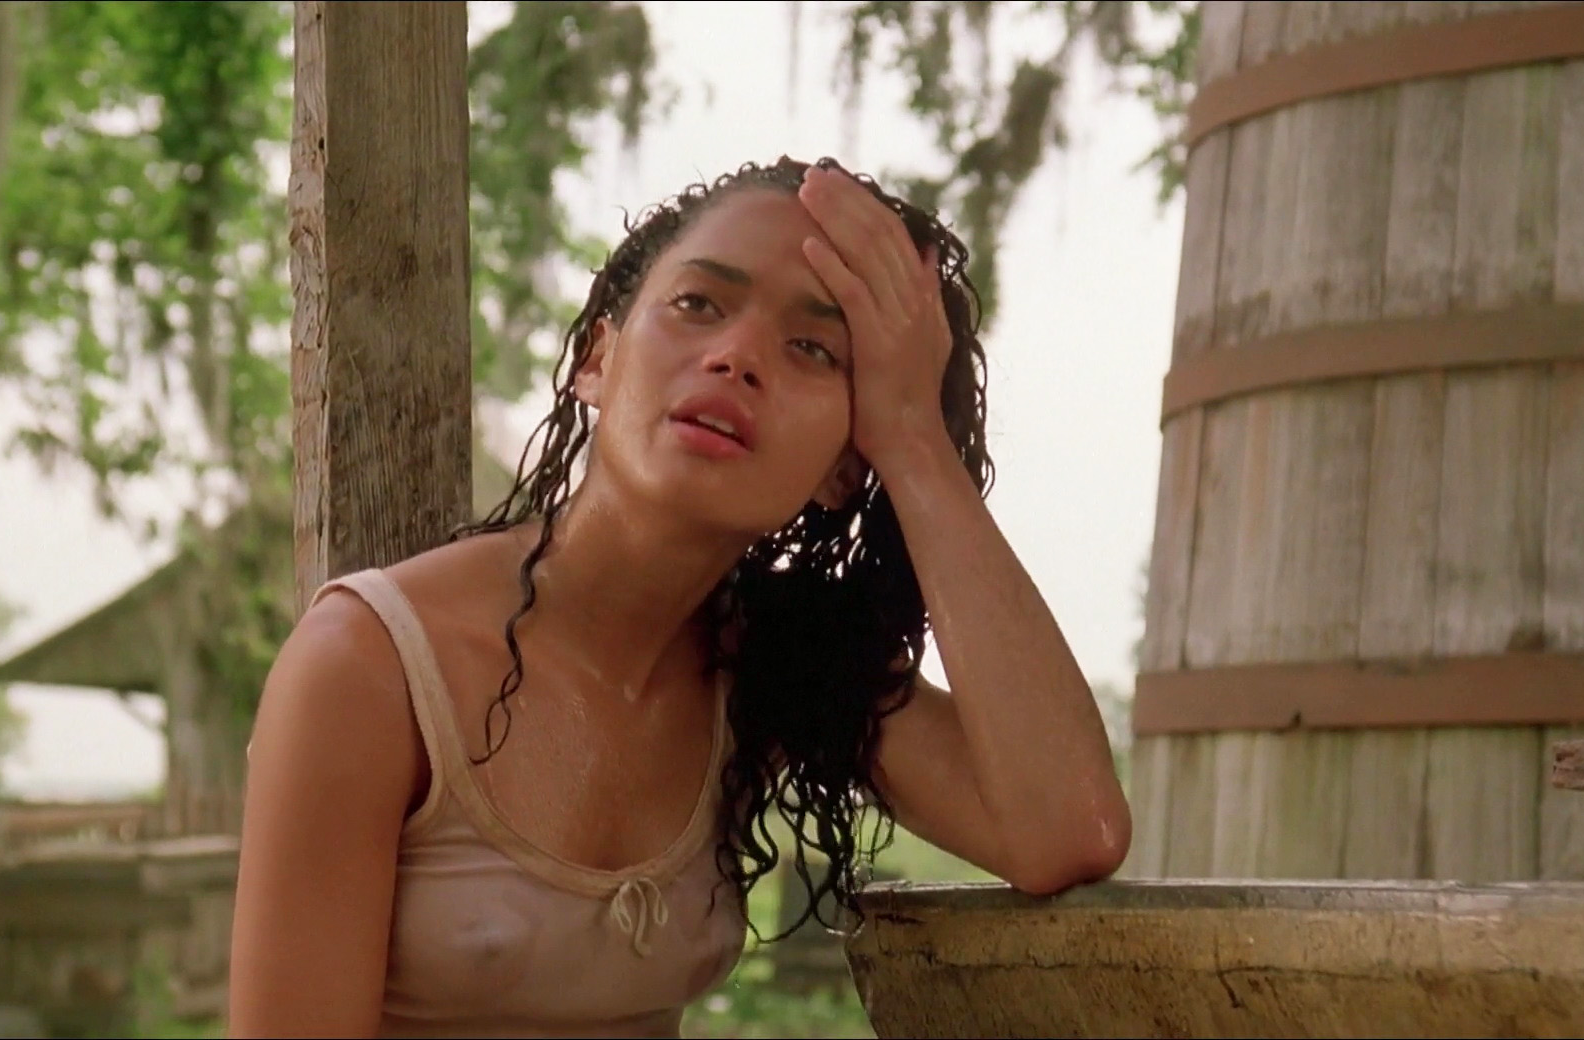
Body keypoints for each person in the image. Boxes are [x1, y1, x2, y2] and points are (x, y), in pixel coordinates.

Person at [225, 156, 1131, 1039]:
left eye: (813, 348)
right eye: (699, 304)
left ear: (844, 467)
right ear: (596, 359)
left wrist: (914, 443)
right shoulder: (369, 666)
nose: (736, 357)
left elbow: (1066, 830)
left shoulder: (767, 665)